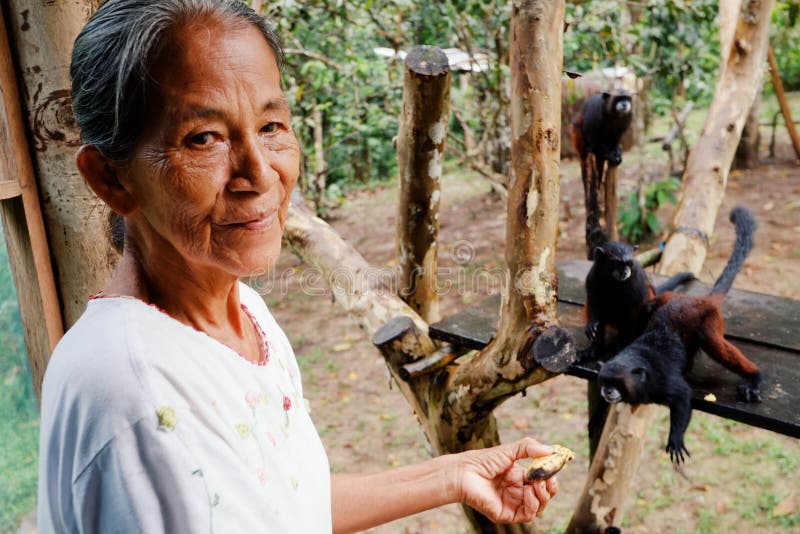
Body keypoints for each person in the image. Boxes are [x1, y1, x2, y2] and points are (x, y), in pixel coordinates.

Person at [37, 1, 559, 532]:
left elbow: (283, 505)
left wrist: (456, 473)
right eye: (204, 138)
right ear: (110, 179)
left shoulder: (242, 315)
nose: (259, 174)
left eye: (270, 125)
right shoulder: (142, 401)